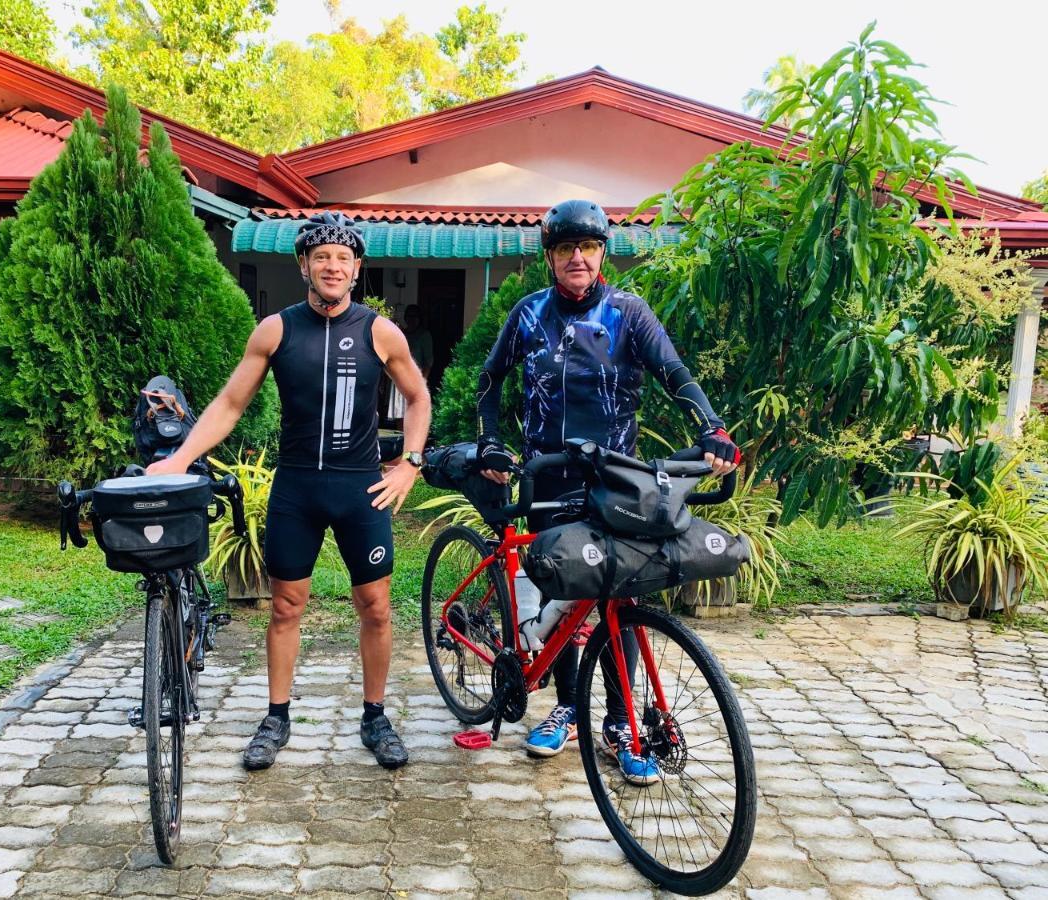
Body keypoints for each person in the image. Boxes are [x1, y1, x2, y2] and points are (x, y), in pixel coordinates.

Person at [147, 212, 431, 770]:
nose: (332, 266)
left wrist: (410, 464)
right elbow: (231, 404)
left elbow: (419, 397)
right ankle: (276, 716)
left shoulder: (379, 331)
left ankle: (375, 715)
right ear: (304, 264)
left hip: (361, 489)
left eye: (343, 258)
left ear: (356, 270)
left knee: (374, 606)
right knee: (285, 605)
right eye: (321, 256)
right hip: (298, 487)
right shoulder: (276, 330)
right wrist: (181, 458)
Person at [475, 199, 739, 784]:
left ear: (601, 254)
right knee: (560, 592)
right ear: (549, 255)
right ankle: (568, 705)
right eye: (565, 248)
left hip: (615, 481)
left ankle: (620, 722)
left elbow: (675, 373)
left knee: (621, 596)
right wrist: (492, 443)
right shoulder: (527, 314)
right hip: (547, 476)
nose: (577, 258)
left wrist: (712, 429)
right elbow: (488, 382)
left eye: (587, 247)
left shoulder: (628, 312)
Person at [386, 305, 433, 422]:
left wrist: (423, 382)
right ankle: (400, 440)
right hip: (398, 379)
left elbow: (429, 361)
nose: (412, 319)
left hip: (415, 380)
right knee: (399, 415)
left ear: (419, 318)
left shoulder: (424, 335)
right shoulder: (401, 333)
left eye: (415, 316)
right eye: (409, 316)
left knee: (413, 415)